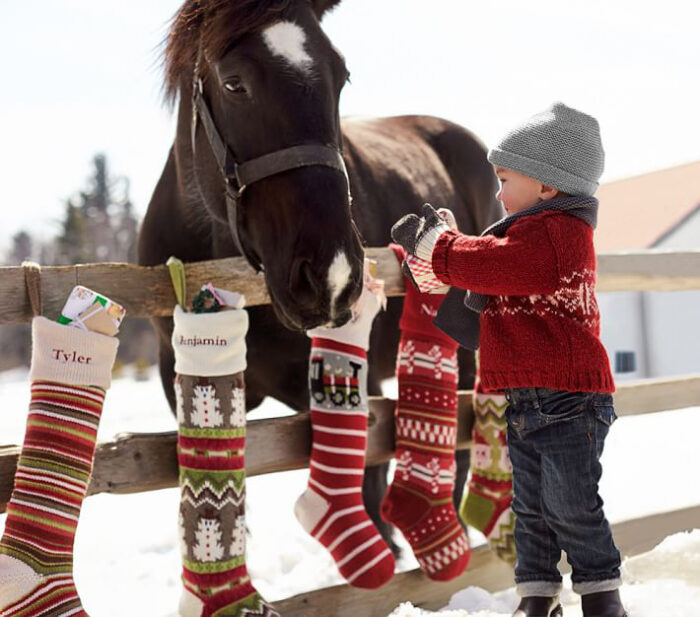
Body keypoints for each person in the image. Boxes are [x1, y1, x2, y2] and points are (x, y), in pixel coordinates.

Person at [391, 103, 627, 617]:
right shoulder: (523, 232)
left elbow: (496, 265)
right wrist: (448, 247)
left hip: (570, 398)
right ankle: (537, 598)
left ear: (547, 186)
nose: (497, 192)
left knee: (571, 505)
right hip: (527, 398)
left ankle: (602, 596)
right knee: (531, 510)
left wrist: (442, 248)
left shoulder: (560, 235)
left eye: (504, 179)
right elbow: (487, 262)